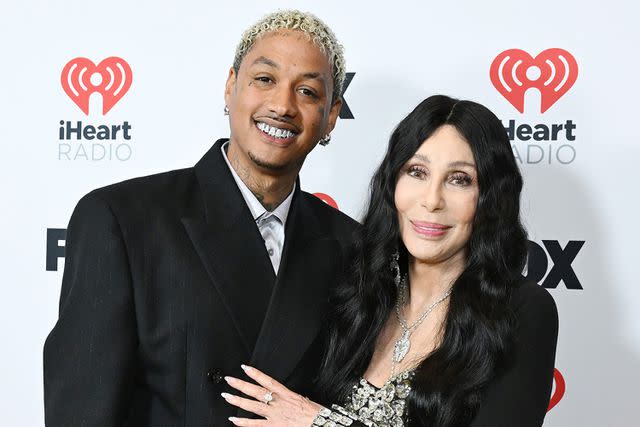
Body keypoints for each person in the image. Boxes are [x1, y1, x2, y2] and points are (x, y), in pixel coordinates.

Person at [43, 10, 358, 426]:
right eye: (264, 79)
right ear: (231, 87)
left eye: (307, 92)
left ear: (331, 114)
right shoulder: (122, 219)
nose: (282, 105)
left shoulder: (353, 247)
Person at [221, 95, 559, 426]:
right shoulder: (357, 288)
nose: (431, 200)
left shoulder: (521, 310)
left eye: (459, 180)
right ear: (392, 182)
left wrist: (318, 423)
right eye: (417, 172)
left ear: (490, 197)